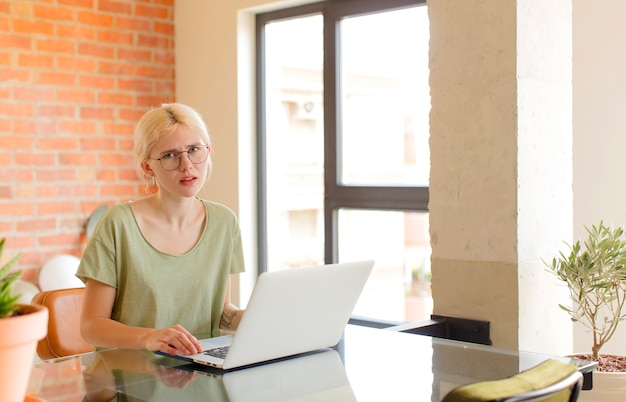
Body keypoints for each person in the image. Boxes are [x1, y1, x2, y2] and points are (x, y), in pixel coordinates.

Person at [77, 103, 245, 357]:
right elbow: (91, 326)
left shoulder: (224, 222)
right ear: (147, 167)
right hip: (131, 380)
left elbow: (220, 313)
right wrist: (150, 337)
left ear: (208, 151)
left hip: (200, 374)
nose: (186, 165)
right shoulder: (118, 224)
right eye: (169, 155)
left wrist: (260, 319)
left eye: (194, 150)